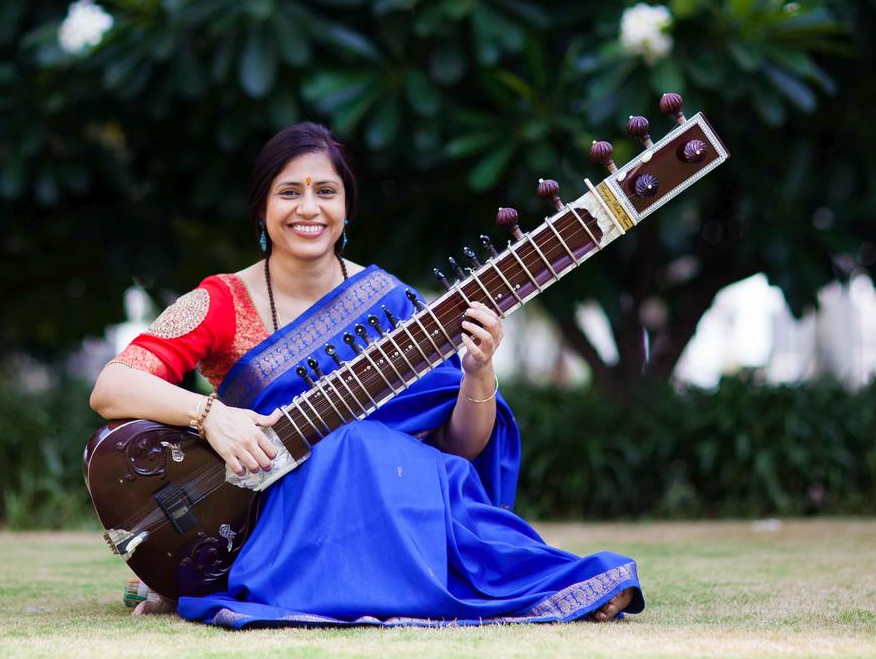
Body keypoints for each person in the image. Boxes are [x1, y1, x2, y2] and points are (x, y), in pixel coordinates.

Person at [89, 122, 643, 627]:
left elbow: (459, 448)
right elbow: (112, 387)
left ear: (347, 209)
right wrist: (210, 416)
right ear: (261, 209)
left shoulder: (393, 305)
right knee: (354, 444)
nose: (309, 208)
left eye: (326, 192)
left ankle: (532, 582)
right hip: (272, 518)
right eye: (290, 192)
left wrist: (477, 375)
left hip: (392, 502)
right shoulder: (220, 302)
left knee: (395, 460)